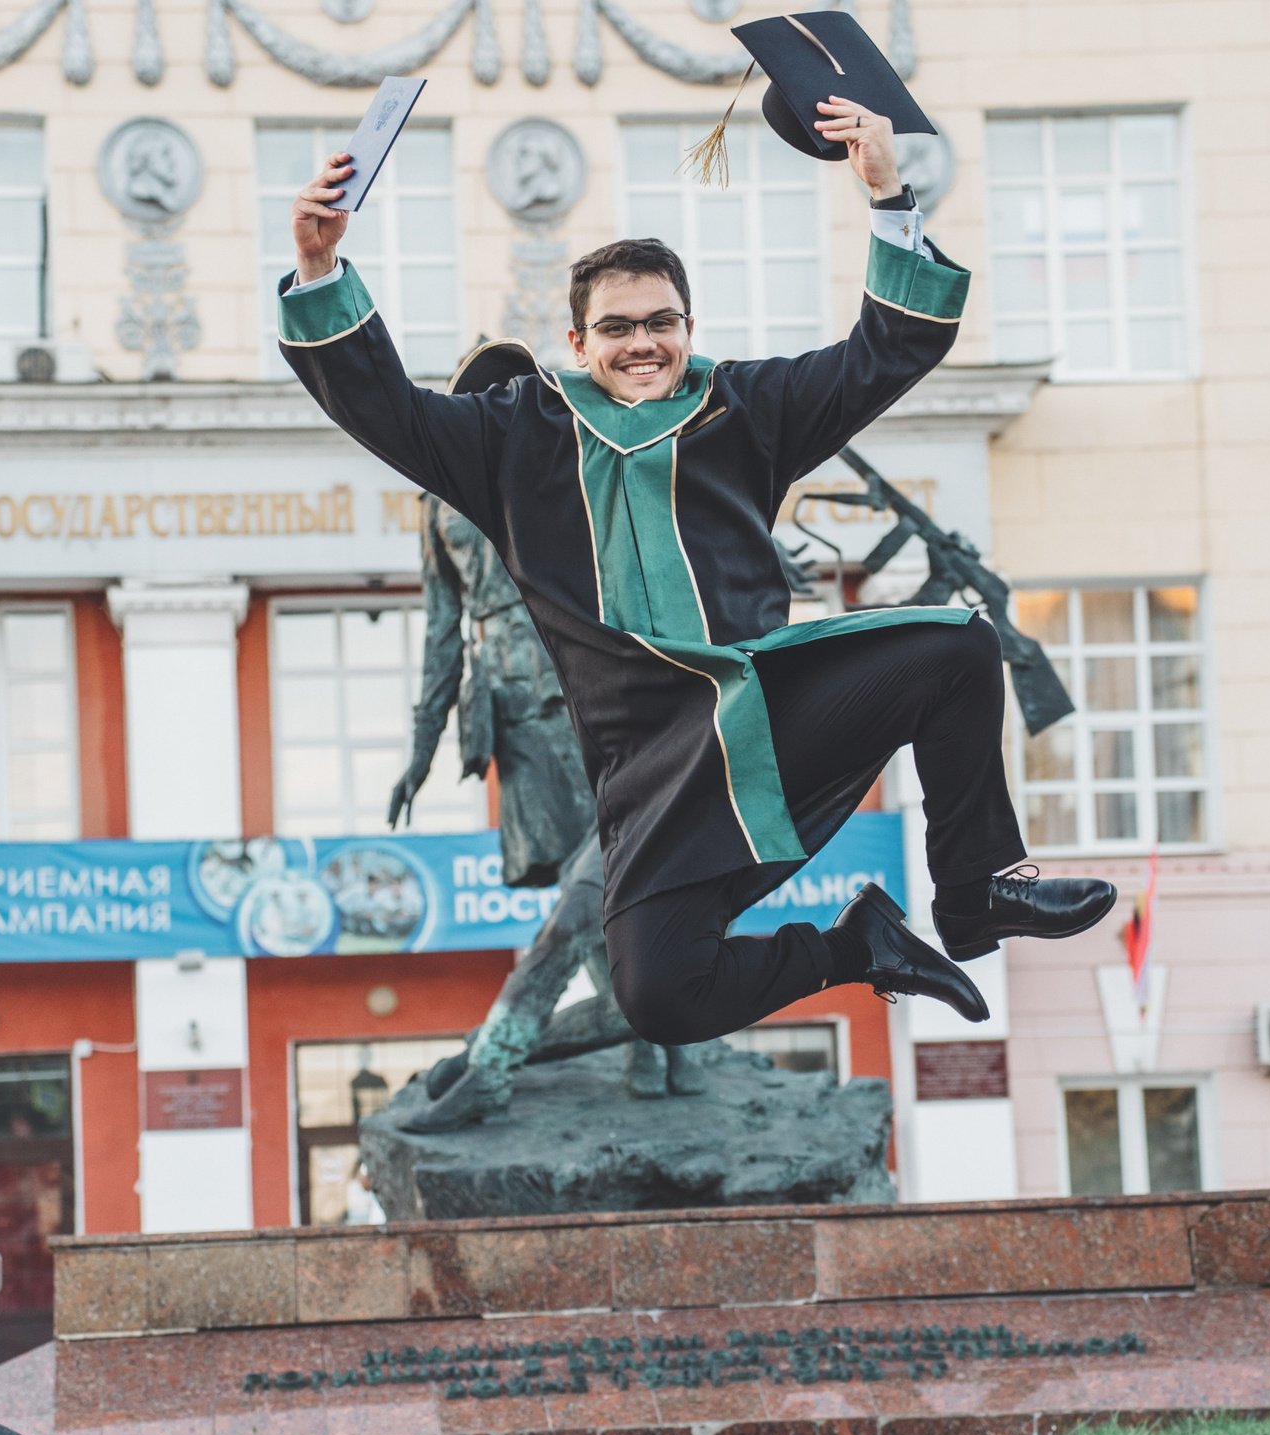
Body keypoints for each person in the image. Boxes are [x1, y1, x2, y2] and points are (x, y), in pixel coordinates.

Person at [279, 86, 1114, 1048]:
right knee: (661, 995)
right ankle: (857, 946)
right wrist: (320, 265)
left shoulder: (747, 408)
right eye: (618, 327)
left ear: (687, 326)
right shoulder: (513, 436)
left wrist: (889, 195)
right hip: (649, 759)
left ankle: (973, 893)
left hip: (763, 712)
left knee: (960, 648)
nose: (643, 343)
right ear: (578, 342)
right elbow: (385, 407)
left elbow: (891, 350)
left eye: (661, 322)